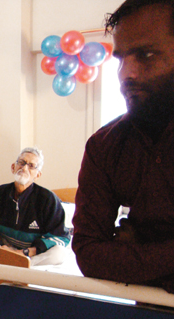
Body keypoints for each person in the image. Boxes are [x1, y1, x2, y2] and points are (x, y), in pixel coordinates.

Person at [72, 0, 174, 293]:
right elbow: (89, 253)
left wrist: (138, 248)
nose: (126, 74)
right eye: (120, 59)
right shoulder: (105, 146)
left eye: (147, 54)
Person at [0, 147, 70, 266]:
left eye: (31, 166)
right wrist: (3, 249)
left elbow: (59, 238)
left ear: (37, 175)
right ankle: (5, 260)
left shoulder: (48, 199)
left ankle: (24, 265)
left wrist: (25, 252)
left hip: (32, 254)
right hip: (4, 248)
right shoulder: (0, 193)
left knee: (59, 253)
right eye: (21, 163)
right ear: (13, 167)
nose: (24, 168)